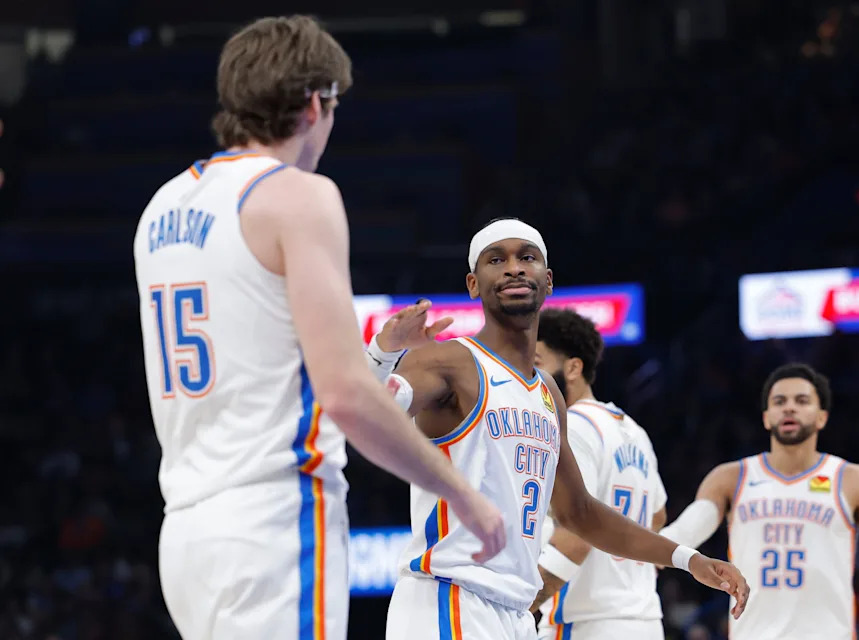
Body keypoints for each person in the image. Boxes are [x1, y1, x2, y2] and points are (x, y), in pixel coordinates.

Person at [132, 15, 504, 640]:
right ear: (314, 102)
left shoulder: (161, 207)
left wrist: (383, 349)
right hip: (273, 521)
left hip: (188, 532)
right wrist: (463, 494)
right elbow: (346, 396)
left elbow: (261, 356)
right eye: (334, 107)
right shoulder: (299, 196)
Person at [365, 218, 749, 640]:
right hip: (449, 597)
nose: (514, 268)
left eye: (526, 257)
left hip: (515, 612)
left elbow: (579, 511)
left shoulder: (548, 392)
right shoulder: (448, 361)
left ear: (547, 281)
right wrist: (383, 354)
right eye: (497, 259)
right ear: (474, 284)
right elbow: (365, 414)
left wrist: (687, 560)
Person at [660, 363, 859, 640]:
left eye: (801, 401)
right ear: (766, 417)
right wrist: (661, 543)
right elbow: (693, 523)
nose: (789, 406)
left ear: (821, 416)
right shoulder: (730, 477)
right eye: (779, 401)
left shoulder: (852, 480)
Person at [529, 308, 669, 639]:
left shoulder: (571, 428)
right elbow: (658, 516)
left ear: (573, 368)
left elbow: (577, 534)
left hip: (587, 622)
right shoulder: (633, 430)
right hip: (643, 621)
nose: (526, 375)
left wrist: (519, 604)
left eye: (535, 363)